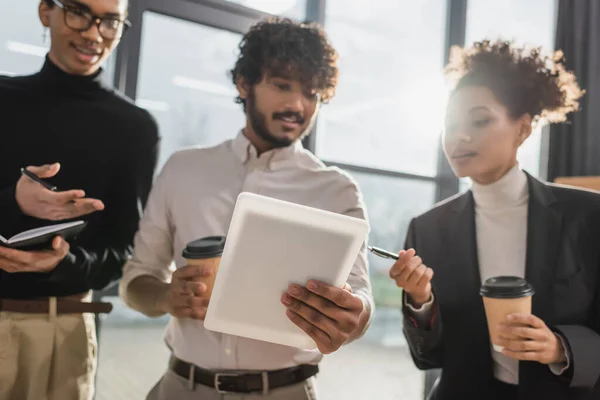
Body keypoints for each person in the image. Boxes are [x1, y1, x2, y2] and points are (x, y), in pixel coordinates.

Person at [119, 17, 374, 400]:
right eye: (282, 85)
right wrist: (165, 296)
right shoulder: (183, 169)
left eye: (312, 93)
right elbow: (135, 281)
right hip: (182, 388)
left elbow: (362, 300)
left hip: (287, 391)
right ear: (244, 84)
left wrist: (353, 317)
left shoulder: (336, 190)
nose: (297, 105)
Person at [389, 40, 599, 400]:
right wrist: (421, 301)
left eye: (480, 120)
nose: (460, 136)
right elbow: (431, 357)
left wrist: (561, 348)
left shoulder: (589, 215)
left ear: (522, 128)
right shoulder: (428, 228)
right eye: (449, 124)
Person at [0, 0, 159, 399]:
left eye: (110, 22)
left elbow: (124, 251)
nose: (93, 33)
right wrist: (13, 201)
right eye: (79, 12)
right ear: (45, 11)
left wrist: (66, 263)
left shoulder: (135, 129)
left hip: (64, 330)